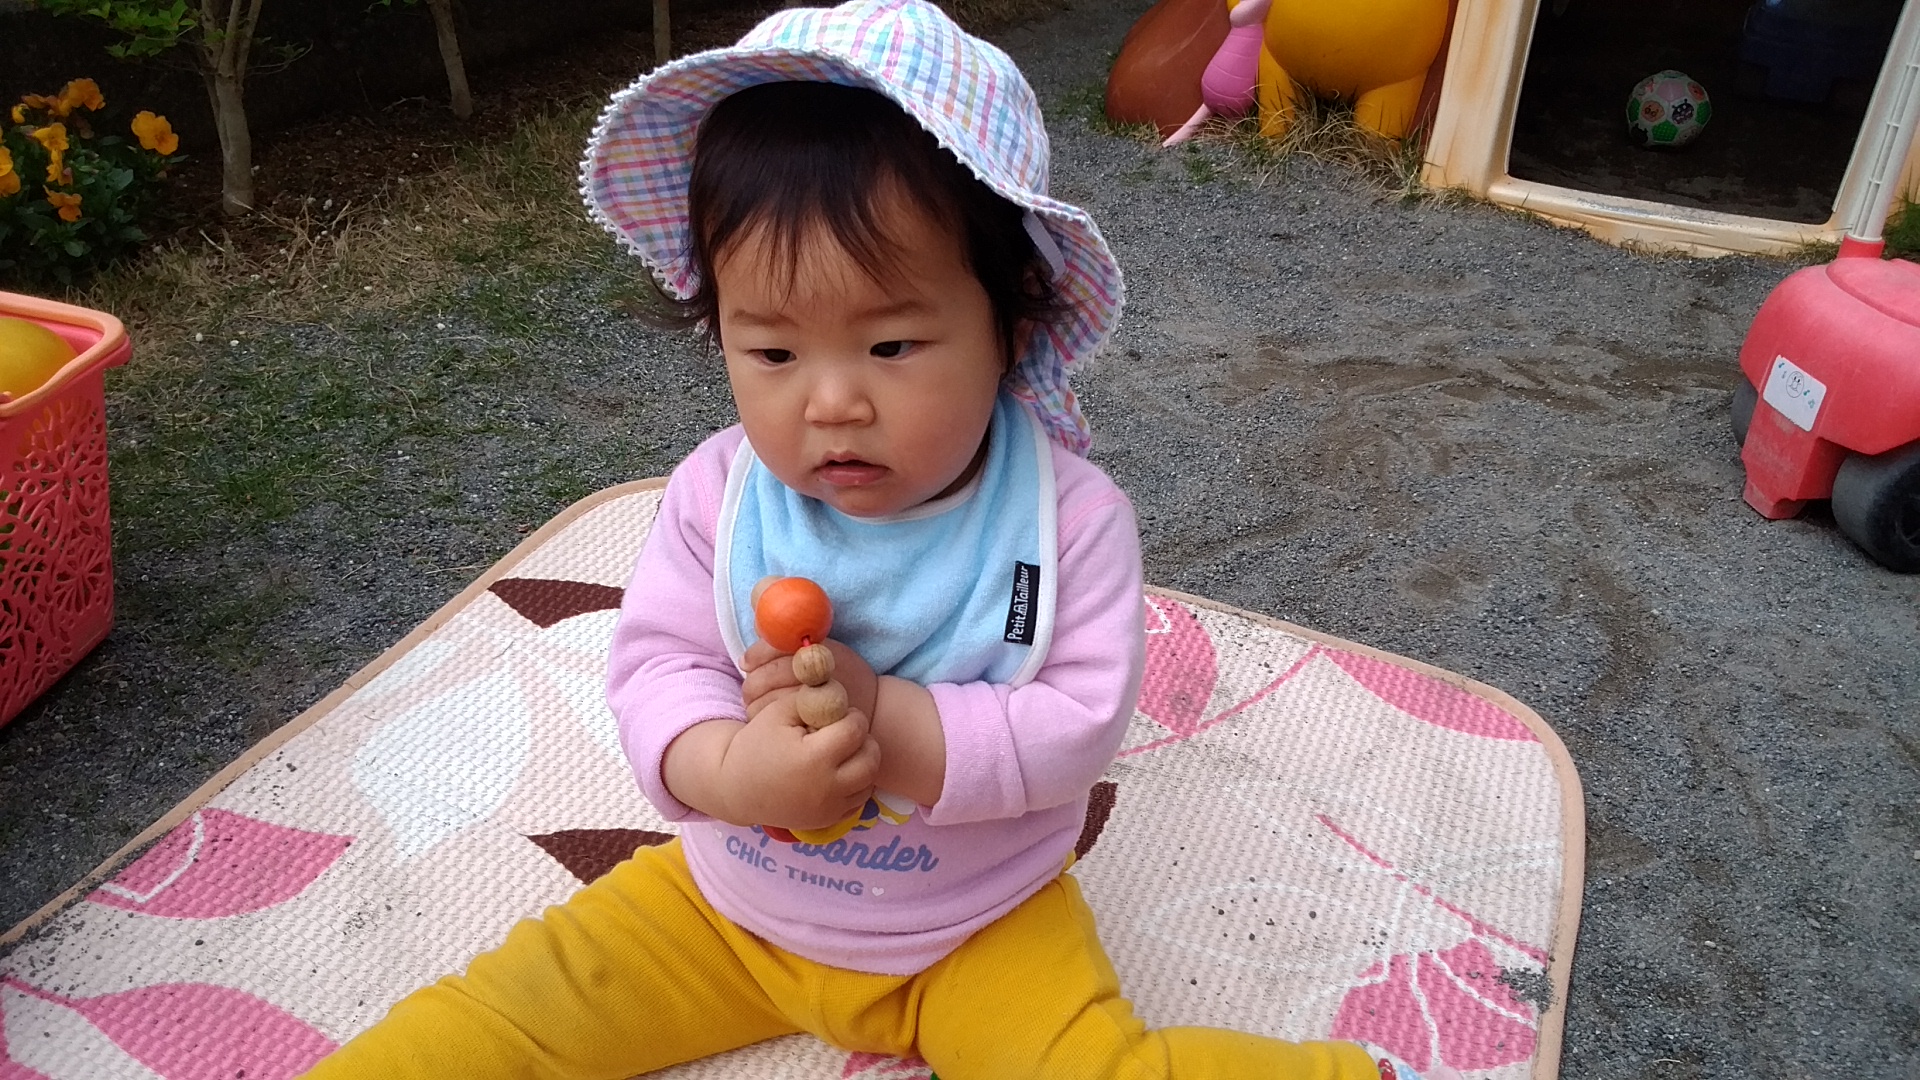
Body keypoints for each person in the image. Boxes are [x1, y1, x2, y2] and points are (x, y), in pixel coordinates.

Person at [301, 2, 1443, 1077]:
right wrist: (726, 768)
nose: (832, 402)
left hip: (977, 928)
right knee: (506, 1015)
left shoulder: (1062, 520)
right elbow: (658, 665)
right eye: (773, 352)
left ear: (1012, 322)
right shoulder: (723, 495)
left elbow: (1075, 726)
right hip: (728, 912)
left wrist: (886, 722)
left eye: (892, 346)